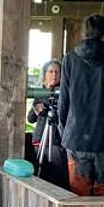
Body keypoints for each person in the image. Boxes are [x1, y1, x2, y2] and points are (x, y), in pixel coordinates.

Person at [58, 13, 104, 196]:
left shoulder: (70, 60)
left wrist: (64, 133)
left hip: (75, 138)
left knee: (78, 192)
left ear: (84, 32)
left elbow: (63, 101)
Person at [27, 59, 68, 189]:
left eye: (57, 72)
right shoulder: (41, 93)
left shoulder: (64, 92)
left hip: (57, 140)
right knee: (40, 173)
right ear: (45, 74)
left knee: (57, 174)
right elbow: (31, 118)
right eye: (50, 71)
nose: (54, 75)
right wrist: (40, 107)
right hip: (40, 140)